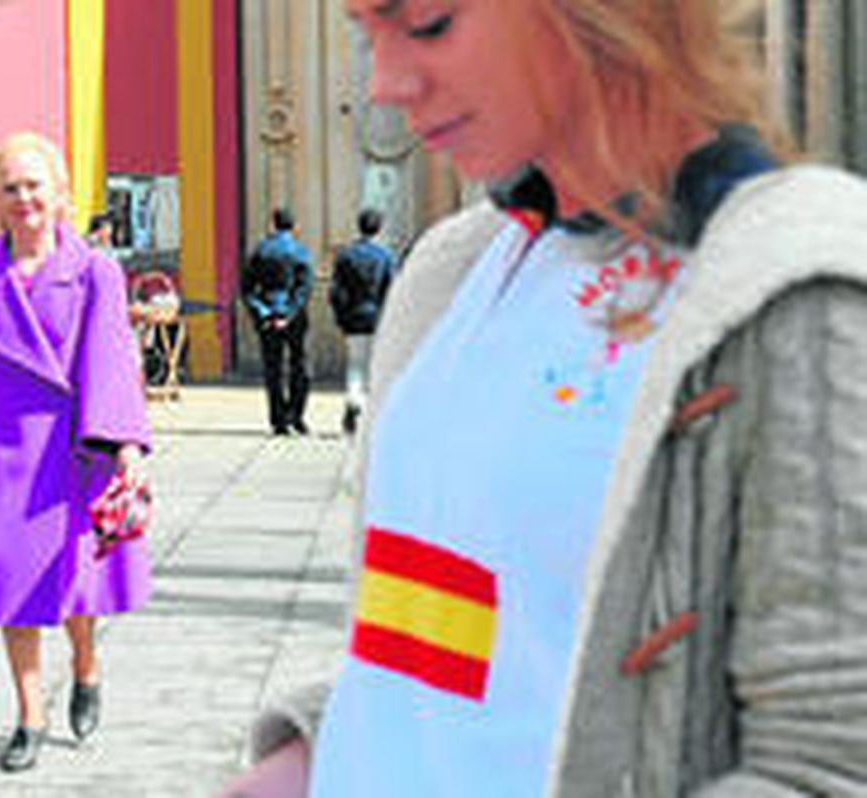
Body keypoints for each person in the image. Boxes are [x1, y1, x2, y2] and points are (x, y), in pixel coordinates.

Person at [225, 0, 867, 795]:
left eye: (428, 24)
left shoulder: (802, 295)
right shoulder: (448, 273)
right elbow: (455, 642)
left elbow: (828, 764)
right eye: (365, 32)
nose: (385, 83)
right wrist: (310, 759)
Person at [0, 132, 152, 773]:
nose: (24, 198)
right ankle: (29, 713)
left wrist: (126, 444)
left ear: (59, 194)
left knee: (72, 582)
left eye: (34, 185)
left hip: (76, 447)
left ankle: (85, 666)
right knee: (8, 583)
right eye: (10, 188)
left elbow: (110, 357)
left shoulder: (95, 271)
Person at [327, 207, 398, 436]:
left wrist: (341, 317)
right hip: (377, 319)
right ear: (379, 229)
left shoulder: (346, 255)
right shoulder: (385, 256)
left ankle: (354, 401)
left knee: (356, 364)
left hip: (353, 319)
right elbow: (391, 290)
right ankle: (369, 412)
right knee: (375, 367)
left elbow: (336, 292)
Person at [241, 207, 312, 435]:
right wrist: (289, 314)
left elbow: (247, 289)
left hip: (268, 315)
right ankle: (296, 415)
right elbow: (304, 289)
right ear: (293, 226)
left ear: (273, 224)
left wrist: (264, 313)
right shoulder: (301, 252)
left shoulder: (261, 251)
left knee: (273, 369)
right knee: (299, 366)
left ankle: (278, 420)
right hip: (294, 317)